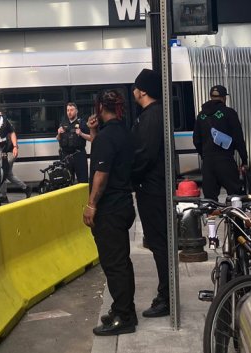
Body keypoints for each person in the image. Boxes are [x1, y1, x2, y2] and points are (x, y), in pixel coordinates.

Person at [83, 89, 136, 336]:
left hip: (110, 209)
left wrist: (91, 204)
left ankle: (124, 317)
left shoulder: (106, 138)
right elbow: (107, 154)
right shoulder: (123, 133)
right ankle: (123, 308)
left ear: (100, 109)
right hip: (124, 204)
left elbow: (101, 175)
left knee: (114, 265)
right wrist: (94, 133)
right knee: (122, 261)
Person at [130, 68, 171, 318]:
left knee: (159, 244)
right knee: (158, 243)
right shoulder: (153, 115)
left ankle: (166, 297)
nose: (133, 90)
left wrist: (127, 176)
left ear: (142, 91)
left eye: (135, 87)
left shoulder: (151, 116)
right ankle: (166, 293)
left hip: (152, 189)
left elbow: (143, 155)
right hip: (153, 188)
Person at [193, 85, 248, 200]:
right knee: (235, 196)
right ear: (224, 98)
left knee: (210, 199)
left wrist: (204, 155)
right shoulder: (229, 113)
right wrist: (244, 159)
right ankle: (234, 217)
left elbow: (196, 140)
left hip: (208, 163)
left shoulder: (201, 115)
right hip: (225, 160)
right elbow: (238, 137)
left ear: (210, 97)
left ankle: (211, 217)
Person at [56, 102, 92, 183]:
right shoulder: (63, 123)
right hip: (66, 156)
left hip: (79, 155)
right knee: (66, 182)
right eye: (68, 110)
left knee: (83, 182)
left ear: (76, 111)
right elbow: (58, 139)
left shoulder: (82, 123)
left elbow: (91, 138)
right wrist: (58, 133)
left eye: (71, 110)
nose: (69, 112)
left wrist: (81, 134)